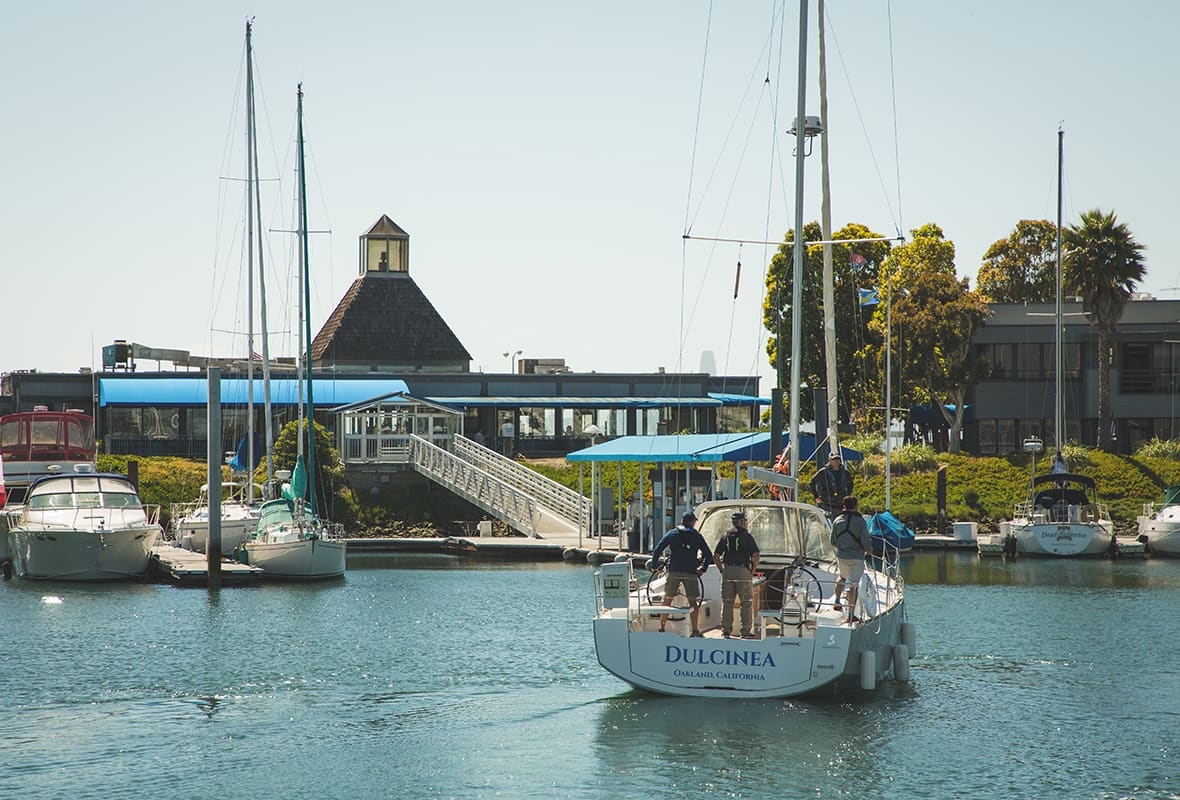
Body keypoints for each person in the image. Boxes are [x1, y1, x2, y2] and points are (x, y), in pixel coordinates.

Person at [649, 511, 713, 637]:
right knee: (693, 602)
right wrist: (703, 569)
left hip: (674, 572)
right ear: (692, 522)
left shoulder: (672, 533)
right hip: (691, 572)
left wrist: (654, 566)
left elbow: (657, 550)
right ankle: (695, 630)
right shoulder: (696, 536)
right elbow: (708, 554)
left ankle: (661, 628)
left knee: (667, 599)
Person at [713, 510, 761, 639]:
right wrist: (752, 570)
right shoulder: (747, 536)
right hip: (743, 571)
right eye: (745, 521)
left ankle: (726, 630)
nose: (746, 523)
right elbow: (756, 555)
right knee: (746, 602)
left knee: (727, 601)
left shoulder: (725, 535)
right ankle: (745, 631)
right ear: (741, 522)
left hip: (728, 570)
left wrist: (722, 570)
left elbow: (716, 556)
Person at [829, 495, 872, 622]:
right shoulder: (860, 522)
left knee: (842, 577)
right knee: (853, 585)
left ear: (844, 506)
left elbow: (833, 540)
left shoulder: (837, 520)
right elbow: (865, 540)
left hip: (842, 556)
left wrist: (842, 549)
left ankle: (837, 601)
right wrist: (868, 551)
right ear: (856, 506)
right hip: (857, 557)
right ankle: (851, 614)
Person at [810, 452, 853, 518]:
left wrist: (848, 496)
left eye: (837, 459)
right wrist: (816, 497)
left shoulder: (845, 473)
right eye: (833, 459)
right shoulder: (823, 472)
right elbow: (811, 483)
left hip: (841, 505)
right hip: (826, 504)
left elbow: (851, 484)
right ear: (829, 460)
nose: (836, 461)